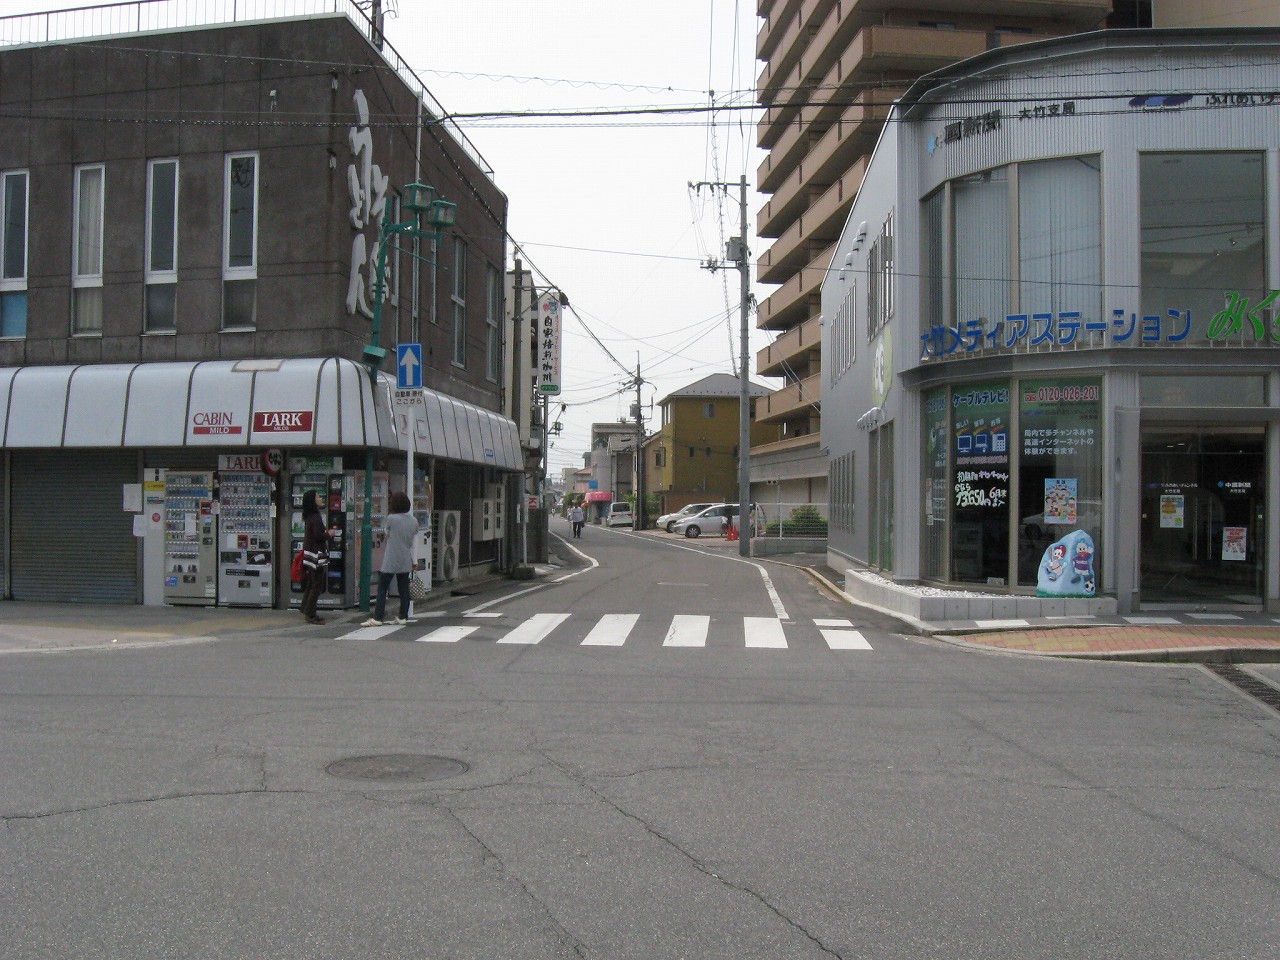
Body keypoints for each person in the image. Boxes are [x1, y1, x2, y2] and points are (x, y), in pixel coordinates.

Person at [362, 491, 420, 626]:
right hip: (405, 558)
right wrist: (415, 561)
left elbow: (386, 532)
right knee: (403, 589)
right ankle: (403, 616)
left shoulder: (391, 519)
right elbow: (414, 543)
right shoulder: (414, 521)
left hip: (391, 558)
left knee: (382, 588)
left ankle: (378, 617)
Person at [299, 490, 329, 625]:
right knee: (316, 585)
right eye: (318, 496)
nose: (320, 498)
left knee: (311, 583)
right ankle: (310, 614)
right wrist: (329, 534)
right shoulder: (316, 517)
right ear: (313, 500)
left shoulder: (309, 516)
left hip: (310, 554)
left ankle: (306, 608)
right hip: (317, 555)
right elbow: (318, 535)